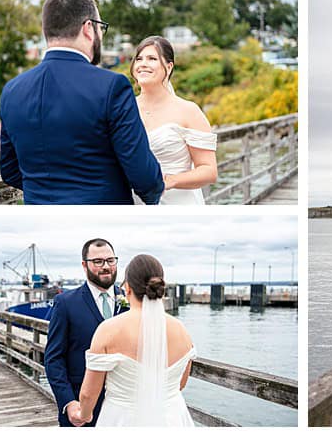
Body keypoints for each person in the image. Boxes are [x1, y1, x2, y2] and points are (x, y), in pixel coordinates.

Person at [0, 0, 164, 204]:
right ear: (88, 28)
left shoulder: (11, 90)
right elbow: (145, 177)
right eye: (100, 28)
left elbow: (10, 170)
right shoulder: (112, 86)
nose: (100, 37)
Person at [75, 254, 196, 426]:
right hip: (172, 417)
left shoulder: (108, 330)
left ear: (128, 288)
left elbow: (88, 394)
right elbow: (181, 383)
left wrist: (84, 415)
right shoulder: (182, 330)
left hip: (123, 419)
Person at [45, 239, 129, 427]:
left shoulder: (130, 301)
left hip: (123, 410)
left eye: (110, 260)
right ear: (85, 265)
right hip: (82, 410)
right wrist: (68, 402)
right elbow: (53, 359)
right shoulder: (65, 303)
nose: (106, 266)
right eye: (98, 261)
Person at [130, 36, 218, 205]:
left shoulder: (188, 111)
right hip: (135, 204)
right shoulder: (125, 109)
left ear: (169, 67)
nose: (143, 64)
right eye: (139, 59)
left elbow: (209, 171)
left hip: (178, 205)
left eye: (152, 59)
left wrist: (170, 181)